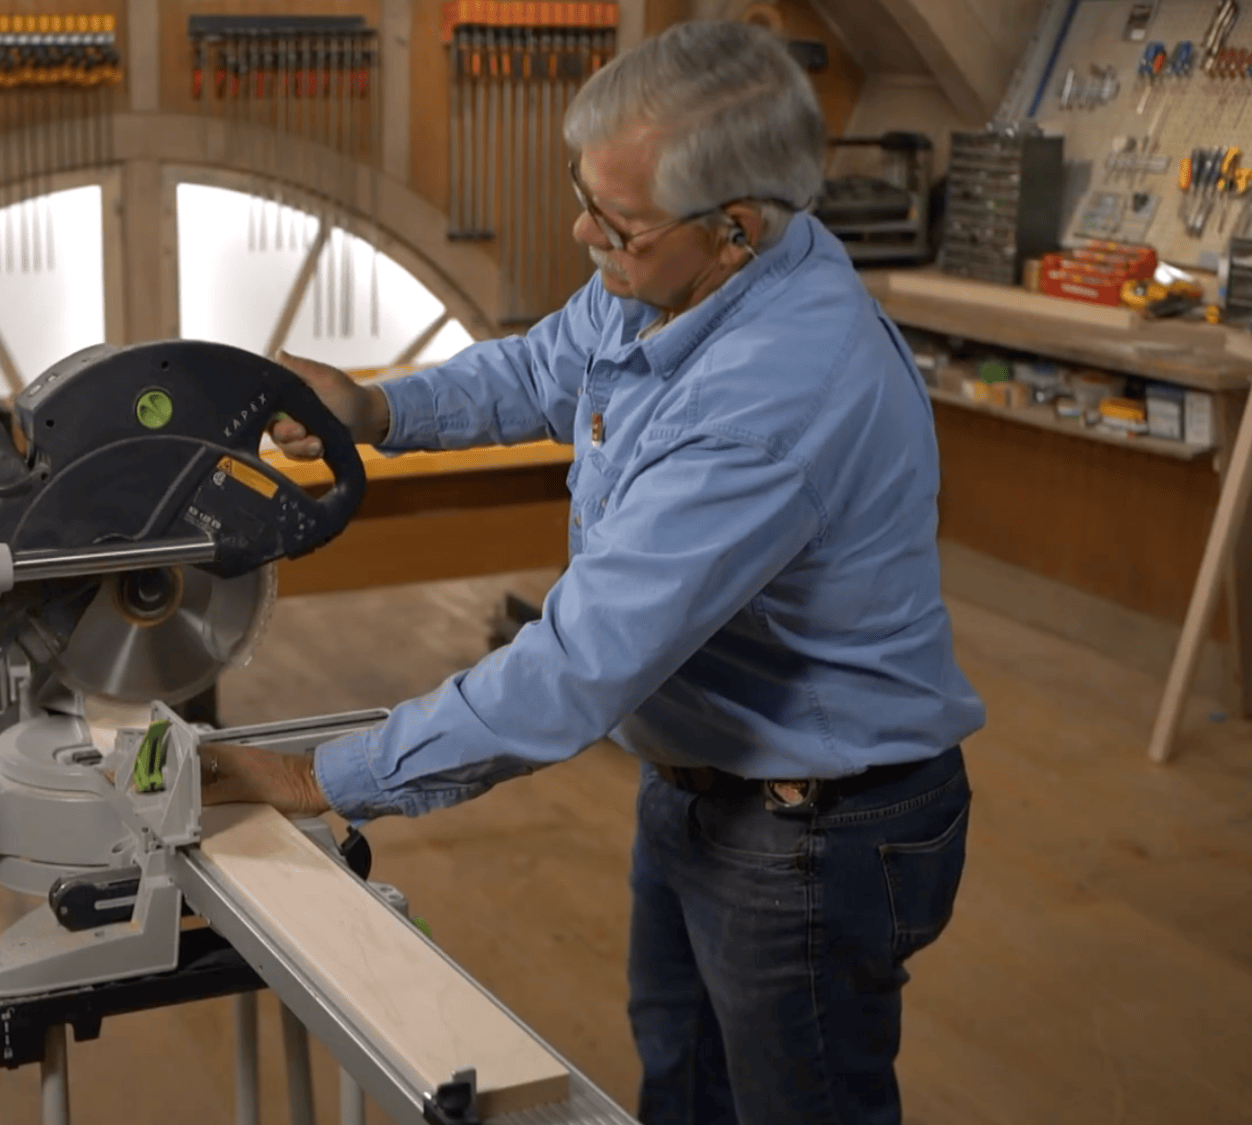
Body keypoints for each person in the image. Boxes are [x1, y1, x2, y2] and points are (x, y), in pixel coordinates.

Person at [197, 19, 986, 1125]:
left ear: (734, 229)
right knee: (682, 1085)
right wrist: (378, 410)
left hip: (814, 832)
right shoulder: (674, 276)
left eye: (611, 225)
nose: (581, 235)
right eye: (582, 196)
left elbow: (578, 667)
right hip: (704, 781)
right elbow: (544, 366)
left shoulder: (771, 401)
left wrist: (317, 777)